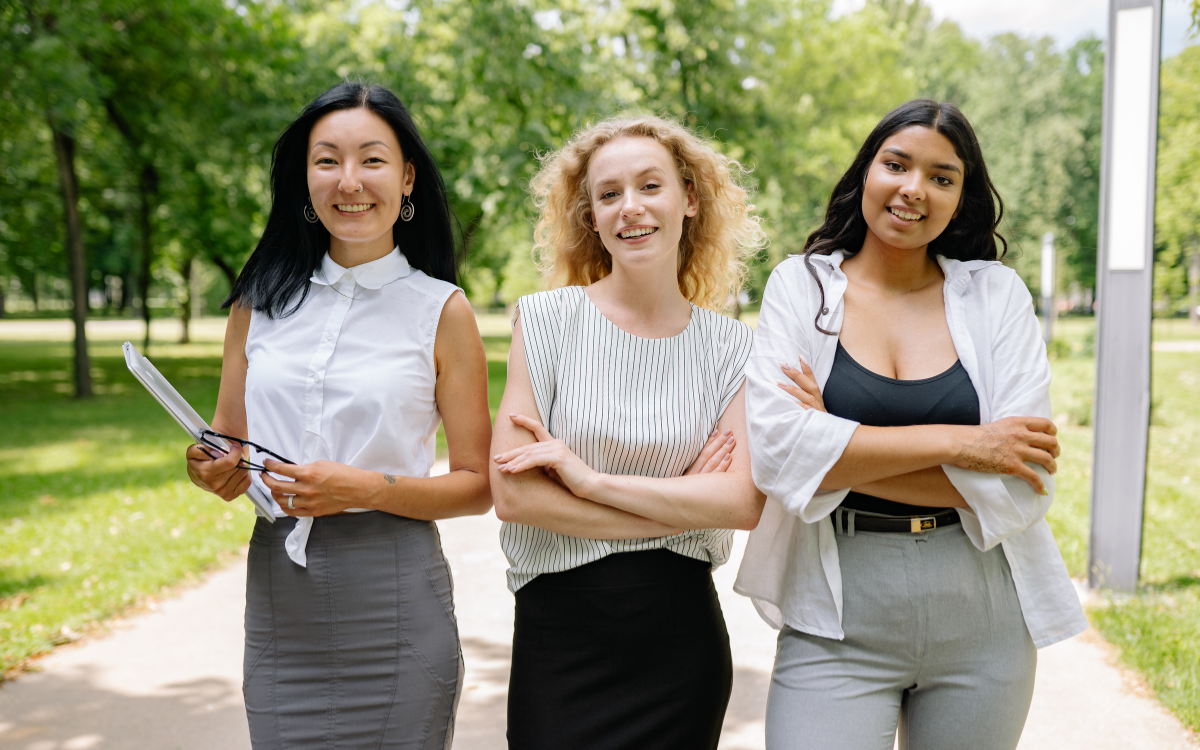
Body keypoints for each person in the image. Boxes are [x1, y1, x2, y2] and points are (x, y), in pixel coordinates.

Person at [735, 99, 1088, 750]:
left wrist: (838, 453)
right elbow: (781, 458)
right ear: (865, 171)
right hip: (837, 615)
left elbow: (1023, 482)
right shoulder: (800, 287)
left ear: (961, 197)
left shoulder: (997, 295)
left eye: (942, 177)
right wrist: (967, 444)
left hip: (982, 616)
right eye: (896, 164)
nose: (914, 189)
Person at [184, 81, 492, 750]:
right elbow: (225, 439)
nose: (349, 181)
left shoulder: (443, 311)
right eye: (327, 160)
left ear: (407, 177)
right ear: (305, 177)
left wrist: (363, 488)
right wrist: (211, 468)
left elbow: (478, 483)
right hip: (279, 595)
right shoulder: (255, 303)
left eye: (372, 159)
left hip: (395, 594)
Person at [489, 114, 767, 750]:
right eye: (608, 194)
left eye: (650, 186)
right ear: (590, 216)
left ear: (689, 199)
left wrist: (588, 483)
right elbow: (514, 496)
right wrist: (681, 507)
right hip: (560, 637)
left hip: (679, 647)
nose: (630, 208)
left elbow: (740, 502)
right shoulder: (545, 322)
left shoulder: (731, 347)